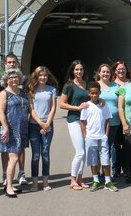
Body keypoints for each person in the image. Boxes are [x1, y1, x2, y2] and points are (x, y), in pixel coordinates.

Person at [0, 53, 28, 186]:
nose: (12, 64)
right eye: (9, 62)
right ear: (5, 64)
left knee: (21, 148)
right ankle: (5, 174)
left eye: (14, 62)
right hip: (6, 121)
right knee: (5, 149)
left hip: (21, 121)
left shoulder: (23, 79)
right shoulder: (0, 82)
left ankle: (21, 173)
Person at [0, 69, 30, 197]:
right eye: (11, 78)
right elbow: (1, 112)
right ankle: (8, 186)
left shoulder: (23, 92)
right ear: (6, 80)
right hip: (10, 129)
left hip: (22, 129)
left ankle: (10, 184)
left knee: (16, 157)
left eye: (16, 77)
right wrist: (5, 128)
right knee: (13, 158)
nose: (14, 79)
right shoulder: (4, 93)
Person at [80, 81, 118, 192]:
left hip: (102, 137)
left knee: (105, 159)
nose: (94, 95)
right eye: (92, 93)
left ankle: (107, 181)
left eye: (96, 93)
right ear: (88, 93)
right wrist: (85, 136)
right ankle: (96, 180)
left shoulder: (104, 106)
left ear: (99, 93)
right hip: (90, 137)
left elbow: (107, 121)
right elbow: (83, 122)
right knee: (93, 160)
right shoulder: (86, 106)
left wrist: (106, 135)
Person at [59, 60, 90, 190]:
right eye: (76, 69)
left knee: (85, 152)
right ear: (73, 71)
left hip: (86, 121)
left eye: (81, 69)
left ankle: (80, 179)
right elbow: (62, 104)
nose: (79, 72)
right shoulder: (69, 85)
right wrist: (77, 108)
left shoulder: (87, 84)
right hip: (74, 120)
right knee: (80, 152)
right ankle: (72, 180)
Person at [27, 66, 58, 192]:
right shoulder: (31, 90)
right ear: (36, 76)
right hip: (34, 125)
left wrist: (47, 124)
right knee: (35, 155)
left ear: (48, 77)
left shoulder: (52, 90)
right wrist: (40, 123)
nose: (42, 77)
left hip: (48, 124)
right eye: (40, 75)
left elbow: (53, 108)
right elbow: (31, 109)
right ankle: (34, 183)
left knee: (45, 154)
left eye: (45, 75)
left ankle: (45, 182)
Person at [97, 64, 123, 178]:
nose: (105, 74)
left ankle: (105, 172)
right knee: (100, 148)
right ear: (99, 73)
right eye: (103, 71)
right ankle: (99, 173)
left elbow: (121, 102)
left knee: (108, 146)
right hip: (99, 122)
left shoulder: (116, 86)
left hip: (114, 122)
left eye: (107, 72)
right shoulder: (95, 86)